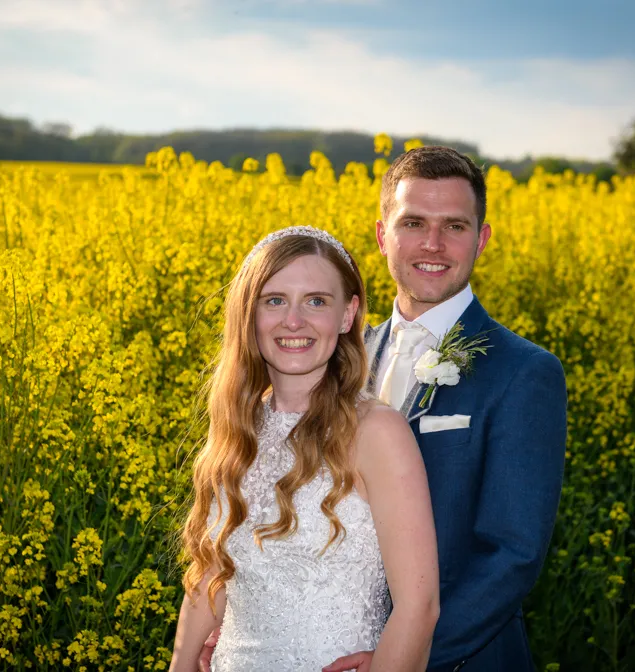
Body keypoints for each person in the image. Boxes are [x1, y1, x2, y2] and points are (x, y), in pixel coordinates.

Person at [322, 146, 568, 672]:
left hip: (458, 659)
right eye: (413, 222)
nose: (432, 244)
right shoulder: (338, 359)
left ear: (481, 239)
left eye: (454, 226)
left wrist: (402, 658)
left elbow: (512, 554)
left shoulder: (525, 372)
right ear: (382, 234)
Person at [169, 226, 441, 672]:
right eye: (274, 300)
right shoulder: (238, 427)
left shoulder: (376, 432)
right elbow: (209, 576)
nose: (293, 321)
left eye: (316, 301)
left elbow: (419, 606)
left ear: (348, 314)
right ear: (248, 314)